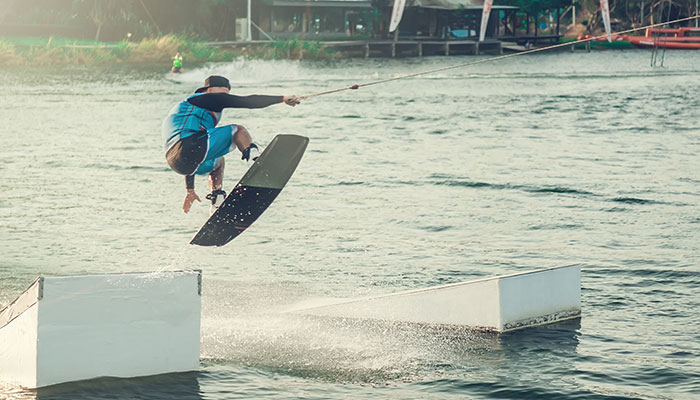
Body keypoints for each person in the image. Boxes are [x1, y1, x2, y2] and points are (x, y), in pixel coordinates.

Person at [162, 75, 300, 214]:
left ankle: (217, 201)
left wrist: (190, 189)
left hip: (177, 162)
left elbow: (185, 153)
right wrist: (281, 99)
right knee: (238, 130)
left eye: (226, 94)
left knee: (218, 161)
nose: (224, 97)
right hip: (190, 146)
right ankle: (255, 161)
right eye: (222, 92)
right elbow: (248, 101)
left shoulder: (189, 110)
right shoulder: (203, 99)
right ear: (208, 90)